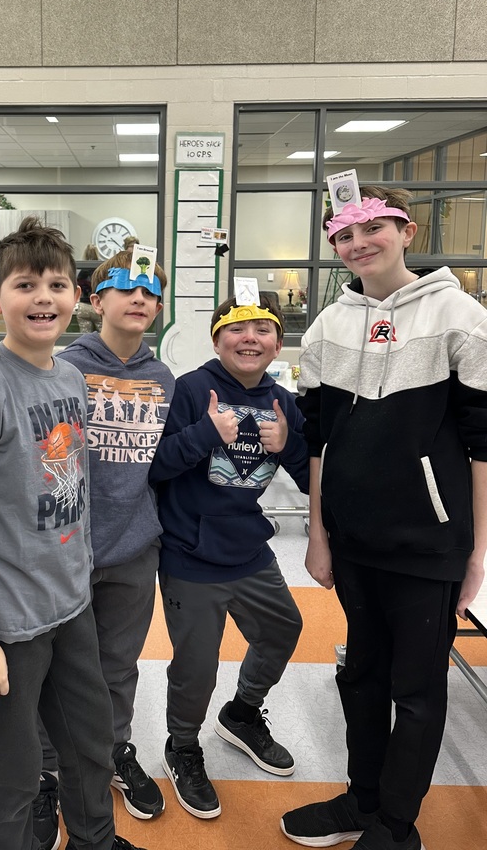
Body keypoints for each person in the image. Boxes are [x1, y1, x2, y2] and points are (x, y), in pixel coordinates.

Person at [0, 217, 149, 850]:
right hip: (7, 625)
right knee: (17, 768)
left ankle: (94, 840)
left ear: (76, 297)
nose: (43, 298)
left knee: (89, 744)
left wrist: (81, 581)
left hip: (71, 608)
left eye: (56, 285)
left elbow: (74, 493)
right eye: (25, 285)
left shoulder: (69, 377)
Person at [281, 186, 487, 850]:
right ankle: (362, 800)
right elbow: (318, 439)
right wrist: (317, 533)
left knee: (416, 689)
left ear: (407, 230)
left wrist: (477, 552)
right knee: (361, 676)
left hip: (429, 544)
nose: (358, 243)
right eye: (344, 235)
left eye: (374, 227)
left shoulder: (459, 315)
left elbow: (483, 443)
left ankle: (397, 827)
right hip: (353, 541)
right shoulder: (328, 325)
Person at [33, 251, 175, 848]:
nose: (138, 298)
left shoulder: (164, 378)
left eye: (150, 291)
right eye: (125, 288)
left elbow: (164, 463)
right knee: (56, 670)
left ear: (159, 307)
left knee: (118, 664)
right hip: (68, 550)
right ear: (97, 300)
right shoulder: (64, 368)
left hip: (134, 549)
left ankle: (113, 750)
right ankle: (46, 772)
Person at [150, 294, 308, 819]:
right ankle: (182, 746)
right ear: (217, 339)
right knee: (197, 667)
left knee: (283, 629)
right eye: (237, 328)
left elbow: (311, 479)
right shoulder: (191, 389)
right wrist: (204, 433)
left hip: (248, 549)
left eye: (263, 329)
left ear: (278, 345)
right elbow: (155, 467)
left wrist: (287, 444)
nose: (250, 338)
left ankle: (241, 714)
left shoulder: (282, 401)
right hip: (190, 554)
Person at [75, 243, 103, 333]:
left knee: (84, 335)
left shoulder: (81, 270)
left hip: (84, 306)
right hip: (97, 305)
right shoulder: (100, 270)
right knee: (103, 335)